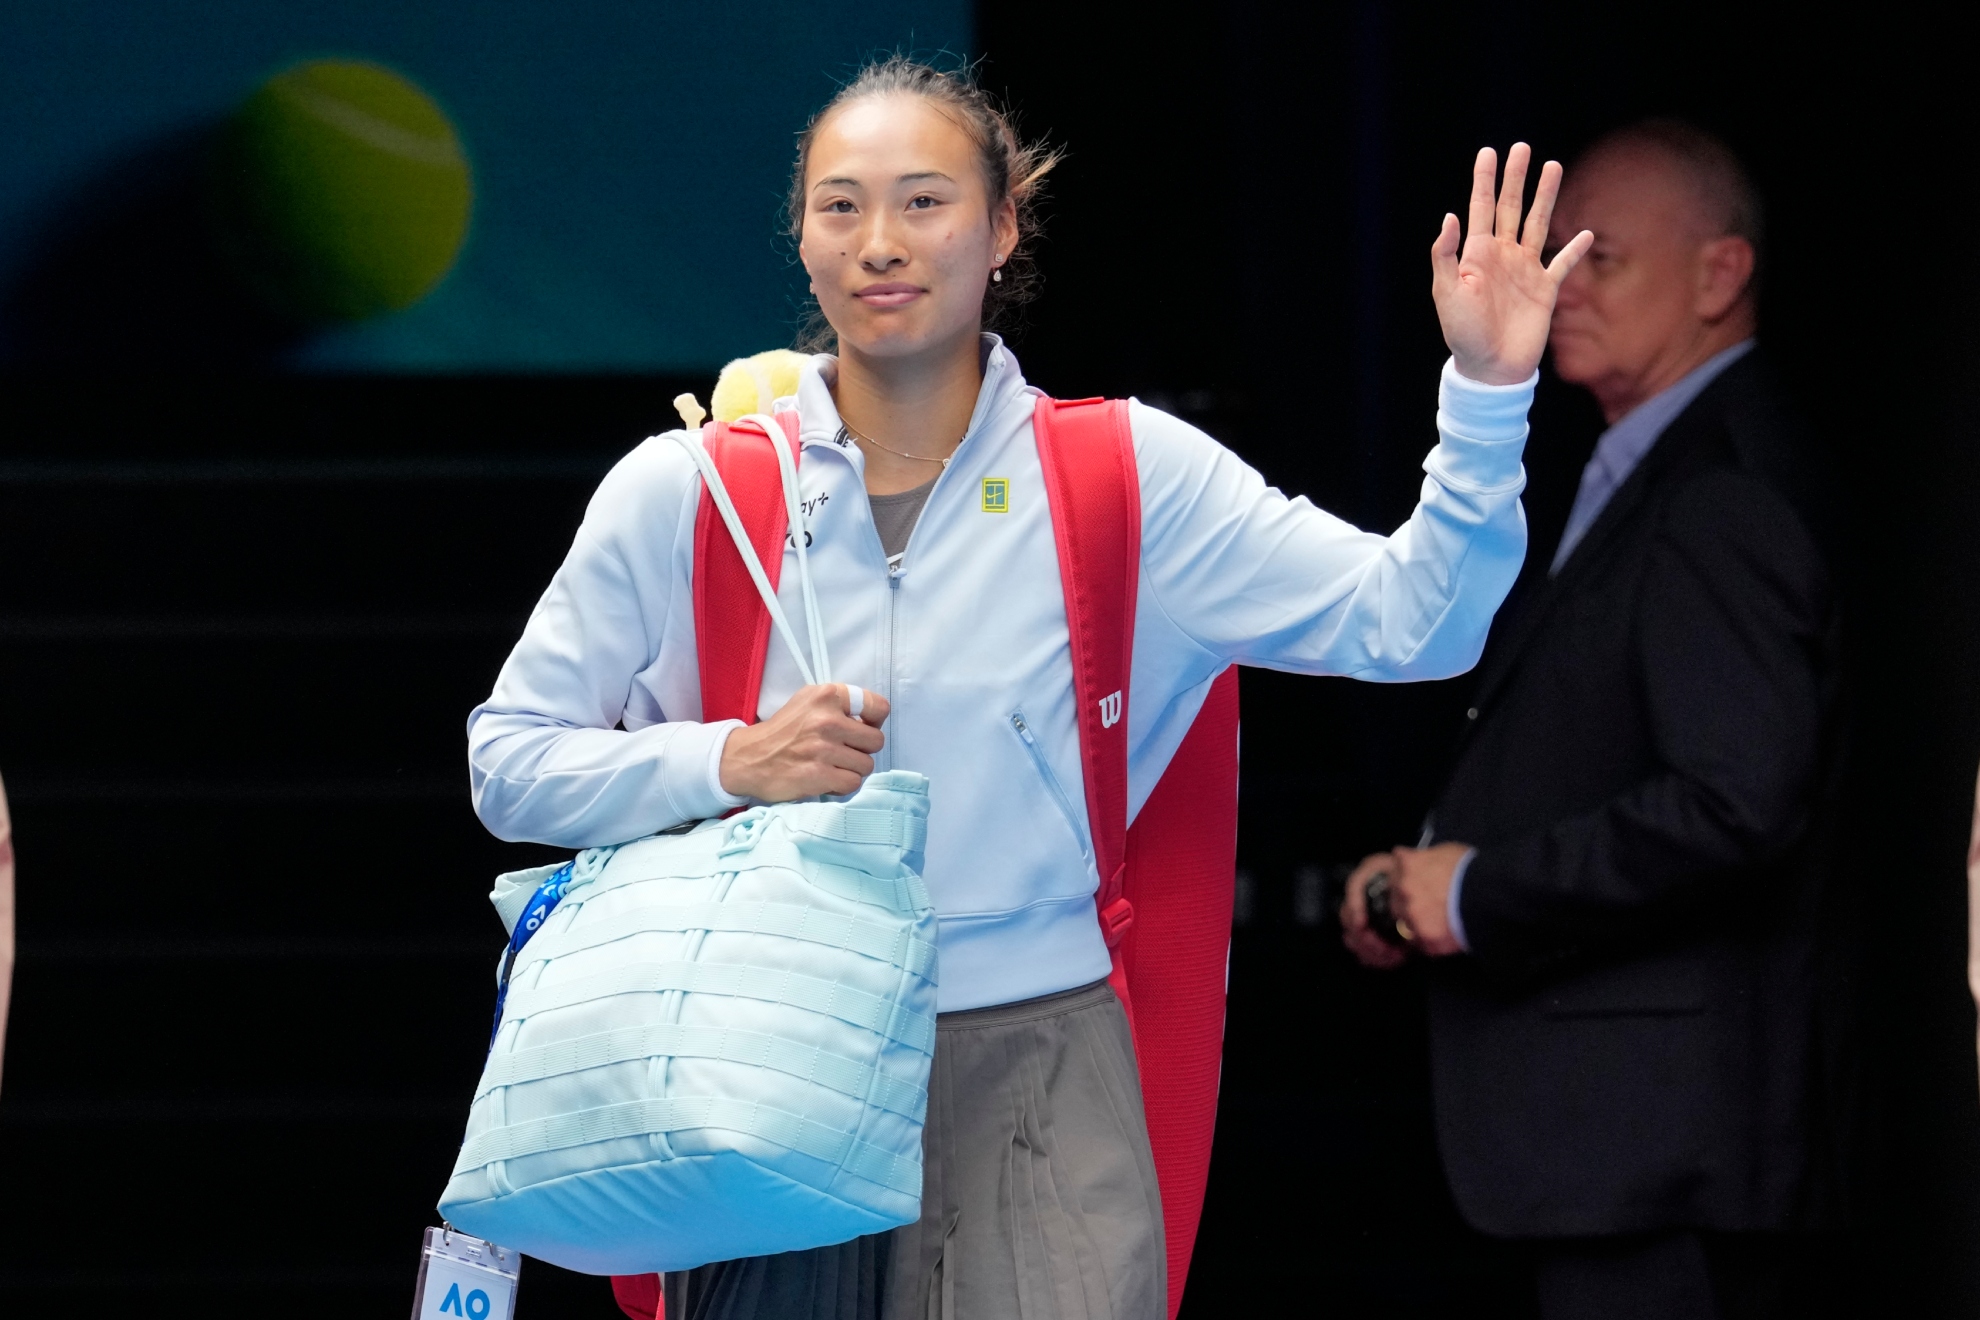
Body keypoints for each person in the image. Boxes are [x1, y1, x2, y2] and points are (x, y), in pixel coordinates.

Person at [470, 57, 1588, 1320]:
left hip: (1038, 1056)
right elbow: (507, 761)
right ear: (801, 237)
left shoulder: (1123, 471)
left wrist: (1488, 396)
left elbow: (1416, 626)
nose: (880, 242)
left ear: (1004, 226)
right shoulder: (685, 488)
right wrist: (728, 761)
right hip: (765, 1052)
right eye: (840, 205)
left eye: (925, 201)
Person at [1341, 120, 1839, 1319]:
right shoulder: (1643, 459)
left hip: (1655, 1155)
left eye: (1599, 257)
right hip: (1607, 1149)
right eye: (1555, 254)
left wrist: (1471, 893)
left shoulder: (1719, 489)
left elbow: (1734, 801)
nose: (1561, 283)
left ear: (1721, 275)